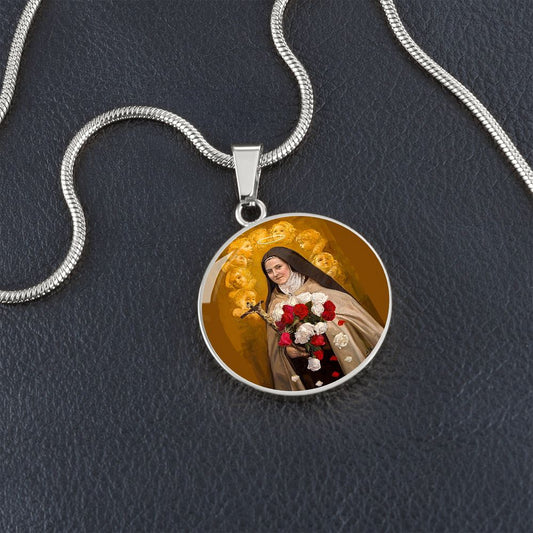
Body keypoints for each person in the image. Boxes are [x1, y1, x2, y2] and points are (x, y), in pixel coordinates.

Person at [261, 246, 384, 391]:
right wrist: (288, 350)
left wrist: (322, 329)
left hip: (337, 356)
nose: (275, 274)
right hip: (309, 371)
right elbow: (276, 347)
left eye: (278, 267)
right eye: (269, 271)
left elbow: (349, 315)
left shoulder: (316, 286)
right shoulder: (274, 303)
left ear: (289, 264)